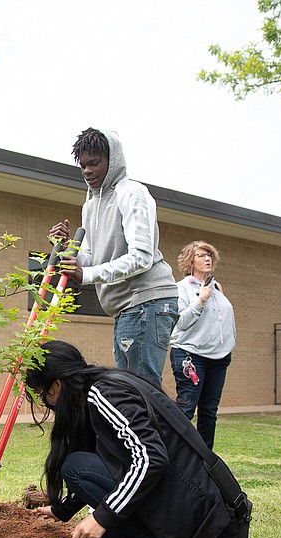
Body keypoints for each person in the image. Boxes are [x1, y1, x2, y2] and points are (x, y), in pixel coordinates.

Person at [27, 340, 232, 538]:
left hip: (192, 519)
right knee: (111, 536)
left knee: (76, 467)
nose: (46, 403)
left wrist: (103, 516)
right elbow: (102, 460)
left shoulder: (104, 393)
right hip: (188, 507)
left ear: (57, 384)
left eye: (42, 394)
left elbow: (151, 457)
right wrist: (62, 510)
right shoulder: (101, 390)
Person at [49, 128, 178, 385]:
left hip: (147, 302)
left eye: (94, 163)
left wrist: (86, 274)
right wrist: (66, 249)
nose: (87, 171)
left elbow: (141, 256)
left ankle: (161, 427)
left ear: (112, 160)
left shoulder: (131, 194)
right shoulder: (90, 206)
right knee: (131, 388)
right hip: (125, 309)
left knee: (142, 390)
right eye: (83, 165)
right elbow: (91, 258)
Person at [169, 241, 236, 449]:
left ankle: (206, 458)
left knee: (209, 411)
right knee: (186, 409)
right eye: (201, 255)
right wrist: (200, 301)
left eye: (209, 255)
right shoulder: (181, 288)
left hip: (219, 357)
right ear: (190, 260)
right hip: (191, 355)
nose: (207, 259)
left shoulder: (216, 287)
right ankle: (172, 453)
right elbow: (179, 322)